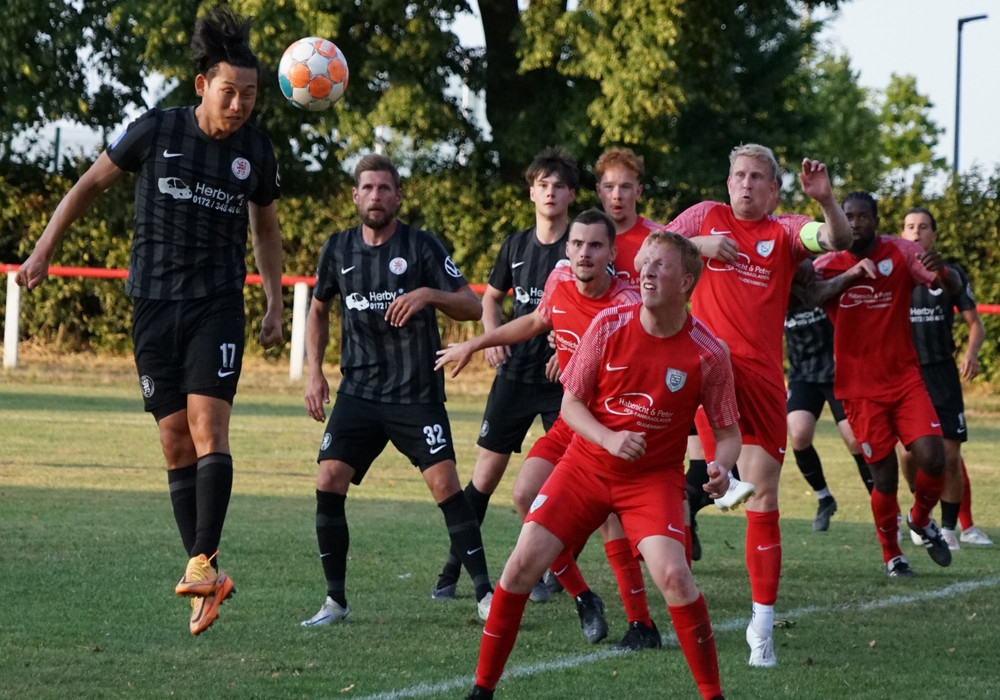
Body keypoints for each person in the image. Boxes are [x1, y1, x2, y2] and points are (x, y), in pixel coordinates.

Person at [15, 7, 283, 636]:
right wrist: (44, 250)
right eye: (229, 92)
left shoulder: (256, 152)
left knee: (208, 426)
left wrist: (274, 301)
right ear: (202, 86)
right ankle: (207, 577)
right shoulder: (156, 130)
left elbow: (266, 229)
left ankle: (202, 563)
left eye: (249, 95)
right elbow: (87, 185)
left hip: (216, 305)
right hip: (153, 305)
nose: (239, 105)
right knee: (174, 441)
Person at [463, 231, 741, 700]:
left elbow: (728, 433)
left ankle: (713, 695)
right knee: (519, 567)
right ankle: (481, 690)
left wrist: (722, 468)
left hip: (653, 480)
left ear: (686, 282)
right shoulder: (609, 324)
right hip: (585, 467)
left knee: (675, 577)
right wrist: (610, 438)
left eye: (661, 265)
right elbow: (570, 406)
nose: (647, 271)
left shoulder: (709, 352)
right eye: (645, 262)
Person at [636, 144, 852, 667]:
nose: (746, 184)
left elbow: (836, 240)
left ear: (774, 190)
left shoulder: (785, 231)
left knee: (764, 495)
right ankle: (715, 477)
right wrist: (699, 245)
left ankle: (762, 627)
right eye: (739, 175)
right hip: (704, 366)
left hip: (761, 380)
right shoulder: (704, 217)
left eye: (757, 177)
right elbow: (645, 255)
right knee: (679, 477)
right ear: (728, 182)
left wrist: (826, 201)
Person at [437, 208, 659, 650]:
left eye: (595, 245)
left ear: (612, 253)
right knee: (525, 495)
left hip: (609, 426)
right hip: (570, 421)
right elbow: (537, 322)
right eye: (577, 244)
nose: (584, 253)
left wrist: (579, 358)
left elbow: (642, 366)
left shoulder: (627, 304)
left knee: (609, 520)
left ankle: (641, 624)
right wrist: (477, 342)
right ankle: (584, 597)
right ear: (567, 248)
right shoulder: (558, 280)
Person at [300, 154, 493, 625]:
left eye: (384, 188)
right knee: (328, 480)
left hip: (415, 392)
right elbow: (318, 309)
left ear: (398, 196)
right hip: (359, 391)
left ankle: (486, 595)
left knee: (445, 485)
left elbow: (471, 305)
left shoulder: (421, 245)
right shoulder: (338, 249)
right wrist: (314, 372)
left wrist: (428, 294)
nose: (376, 196)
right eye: (367, 188)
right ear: (355, 196)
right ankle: (335, 602)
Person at [430, 147, 577, 602]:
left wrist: (571, 349)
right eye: (543, 185)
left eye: (559, 186)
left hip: (561, 384)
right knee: (483, 479)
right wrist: (491, 337)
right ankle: (452, 571)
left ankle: (554, 571)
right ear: (531, 192)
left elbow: (596, 308)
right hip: (514, 377)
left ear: (571, 195)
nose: (550, 193)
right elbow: (490, 299)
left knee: (565, 482)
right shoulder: (515, 245)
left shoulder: (580, 245)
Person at [813, 191, 957, 578]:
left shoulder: (901, 252)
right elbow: (809, 297)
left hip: (905, 379)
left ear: (876, 220)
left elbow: (950, 287)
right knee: (885, 477)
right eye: (848, 216)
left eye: (863, 216)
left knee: (934, 457)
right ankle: (892, 555)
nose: (855, 223)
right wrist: (850, 276)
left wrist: (944, 272)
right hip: (858, 389)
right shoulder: (826, 264)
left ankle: (920, 518)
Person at [898, 207, 993, 549]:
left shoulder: (950, 275)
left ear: (934, 235)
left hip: (941, 373)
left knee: (950, 454)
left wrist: (971, 353)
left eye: (923, 226)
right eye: (910, 226)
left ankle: (951, 528)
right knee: (908, 454)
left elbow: (975, 324)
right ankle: (921, 513)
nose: (916, 232)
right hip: (905, 374)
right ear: (902, 234)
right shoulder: (893, 273)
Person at [785, 258, 874, 532]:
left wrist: (854, 272)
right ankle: (824, 498)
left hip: (836, 374)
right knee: (799, 434)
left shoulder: (824, 291)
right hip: (802, 376)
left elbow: (843, 285)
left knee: (855, 440)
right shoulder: (780, 299)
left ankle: (881, 504)